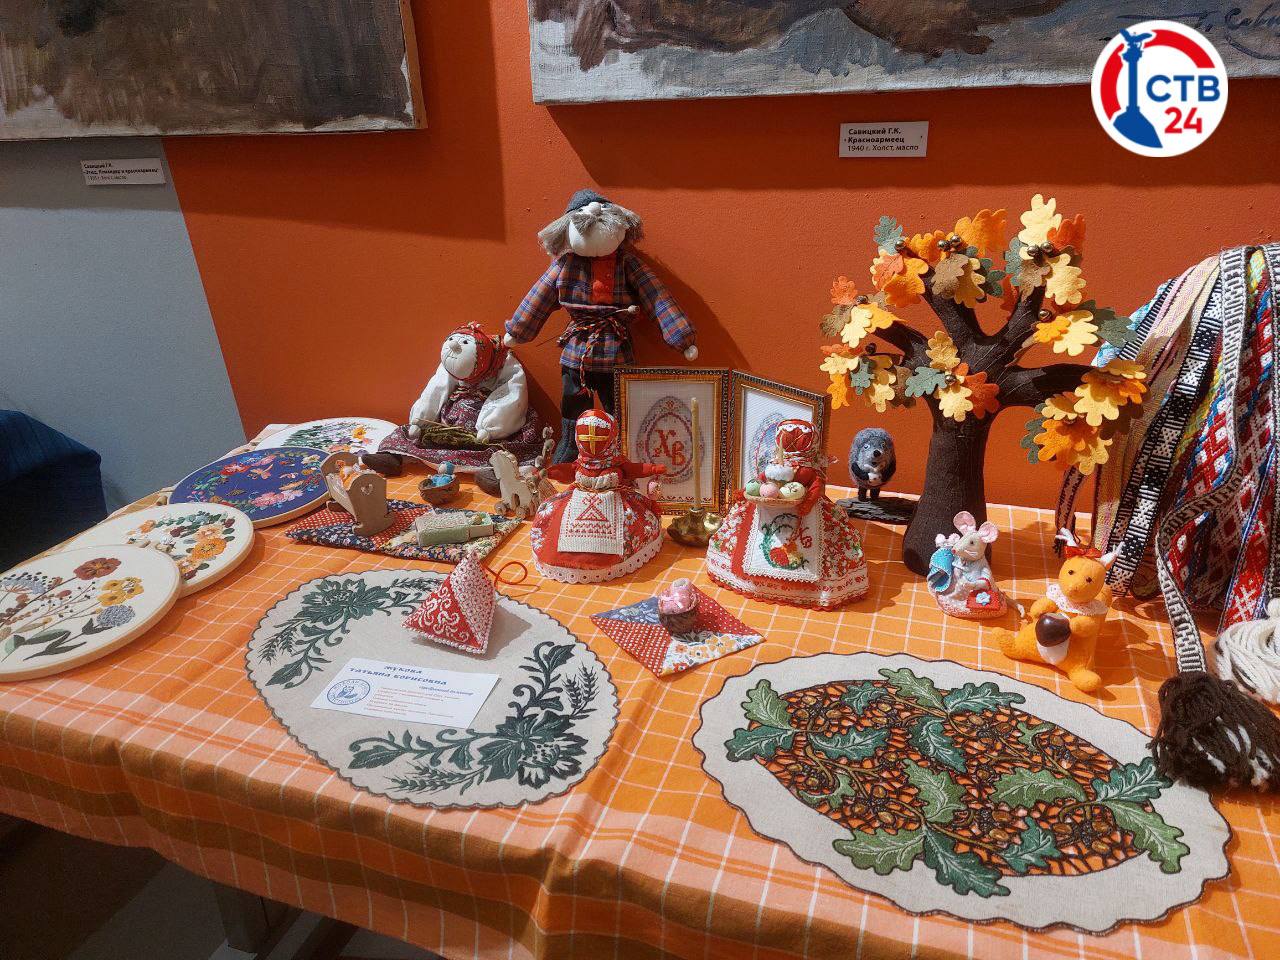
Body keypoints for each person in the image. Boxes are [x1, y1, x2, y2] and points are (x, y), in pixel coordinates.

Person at [505, 189, 698, 461]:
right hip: (577, 351)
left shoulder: (628, 264)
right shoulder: (564, 265)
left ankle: (620, 449)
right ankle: (572, 445)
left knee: (618, 404)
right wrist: (518, 330)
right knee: (573, 401)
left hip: (615, 350)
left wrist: (682, 338)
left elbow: (656, 298)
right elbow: (539, 298)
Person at [707, 419, 868, 609]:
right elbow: (762, 482)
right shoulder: (783, 467)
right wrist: (745, 492)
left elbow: (810, 488)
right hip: (781, 503)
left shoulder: (799, 469)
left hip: (799, 507)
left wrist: (807, 503)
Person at [531, 408, 666, 583]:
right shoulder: (593, 462)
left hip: (598, 498)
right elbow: (567, 471)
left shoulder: (603, 462)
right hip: (598, 498)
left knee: (558, 520)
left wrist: (652, 469)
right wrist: (548, 472)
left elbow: (634, 469)